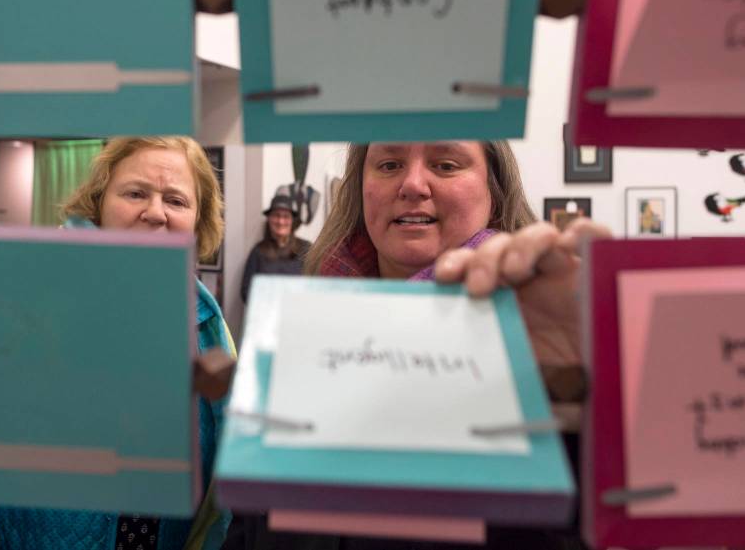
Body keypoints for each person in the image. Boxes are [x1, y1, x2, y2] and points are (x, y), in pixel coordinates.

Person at [223, 141, 609, 550]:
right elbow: (249, 529)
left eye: (445, 164)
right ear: (359, 190)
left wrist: (589, 405)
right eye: (389, 164)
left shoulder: (537, 337)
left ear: (494, 192)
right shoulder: (301, 333)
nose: (412, 184)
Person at [0, 136, 236, 550]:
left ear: (198, 222)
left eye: (177, 200)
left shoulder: (207, 332)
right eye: (136, 193)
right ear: (99, 204)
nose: (156, 213)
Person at [240, 194, 312, 303]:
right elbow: (246, 291)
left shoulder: (305, 248)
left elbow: (314, 285)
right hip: (267, 316)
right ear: (269, 219)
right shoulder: (258, 251)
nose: (281, 221)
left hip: (298, 314)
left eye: (286, 216)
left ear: (292, 220)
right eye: (276, 215)